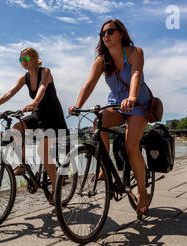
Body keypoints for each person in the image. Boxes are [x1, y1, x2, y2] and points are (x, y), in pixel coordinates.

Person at [68, 19, 153, 217]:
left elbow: (136, 75)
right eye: (102, 33)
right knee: (99, 122)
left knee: (131, 145)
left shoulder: (134, 52)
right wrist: (77, 105)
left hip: (138, 103)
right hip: (115, 103)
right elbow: (89, 84)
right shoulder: (101, 60)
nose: (105, 35)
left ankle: (142, 192)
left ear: (121, 33)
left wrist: (132, 97)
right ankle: (106, 167)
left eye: (110, 31)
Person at [0, 48, 68, 205]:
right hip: (39, 114)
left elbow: (42, 87)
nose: (24, 61)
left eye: (26, 58)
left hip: (53, 116)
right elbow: (10, 92)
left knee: (43, 152)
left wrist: (35, 102)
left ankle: (56, 189)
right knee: (17, 127)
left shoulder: (45, 71)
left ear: (35, 58)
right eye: (21, 60)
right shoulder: (25, 78)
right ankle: (23, 164)